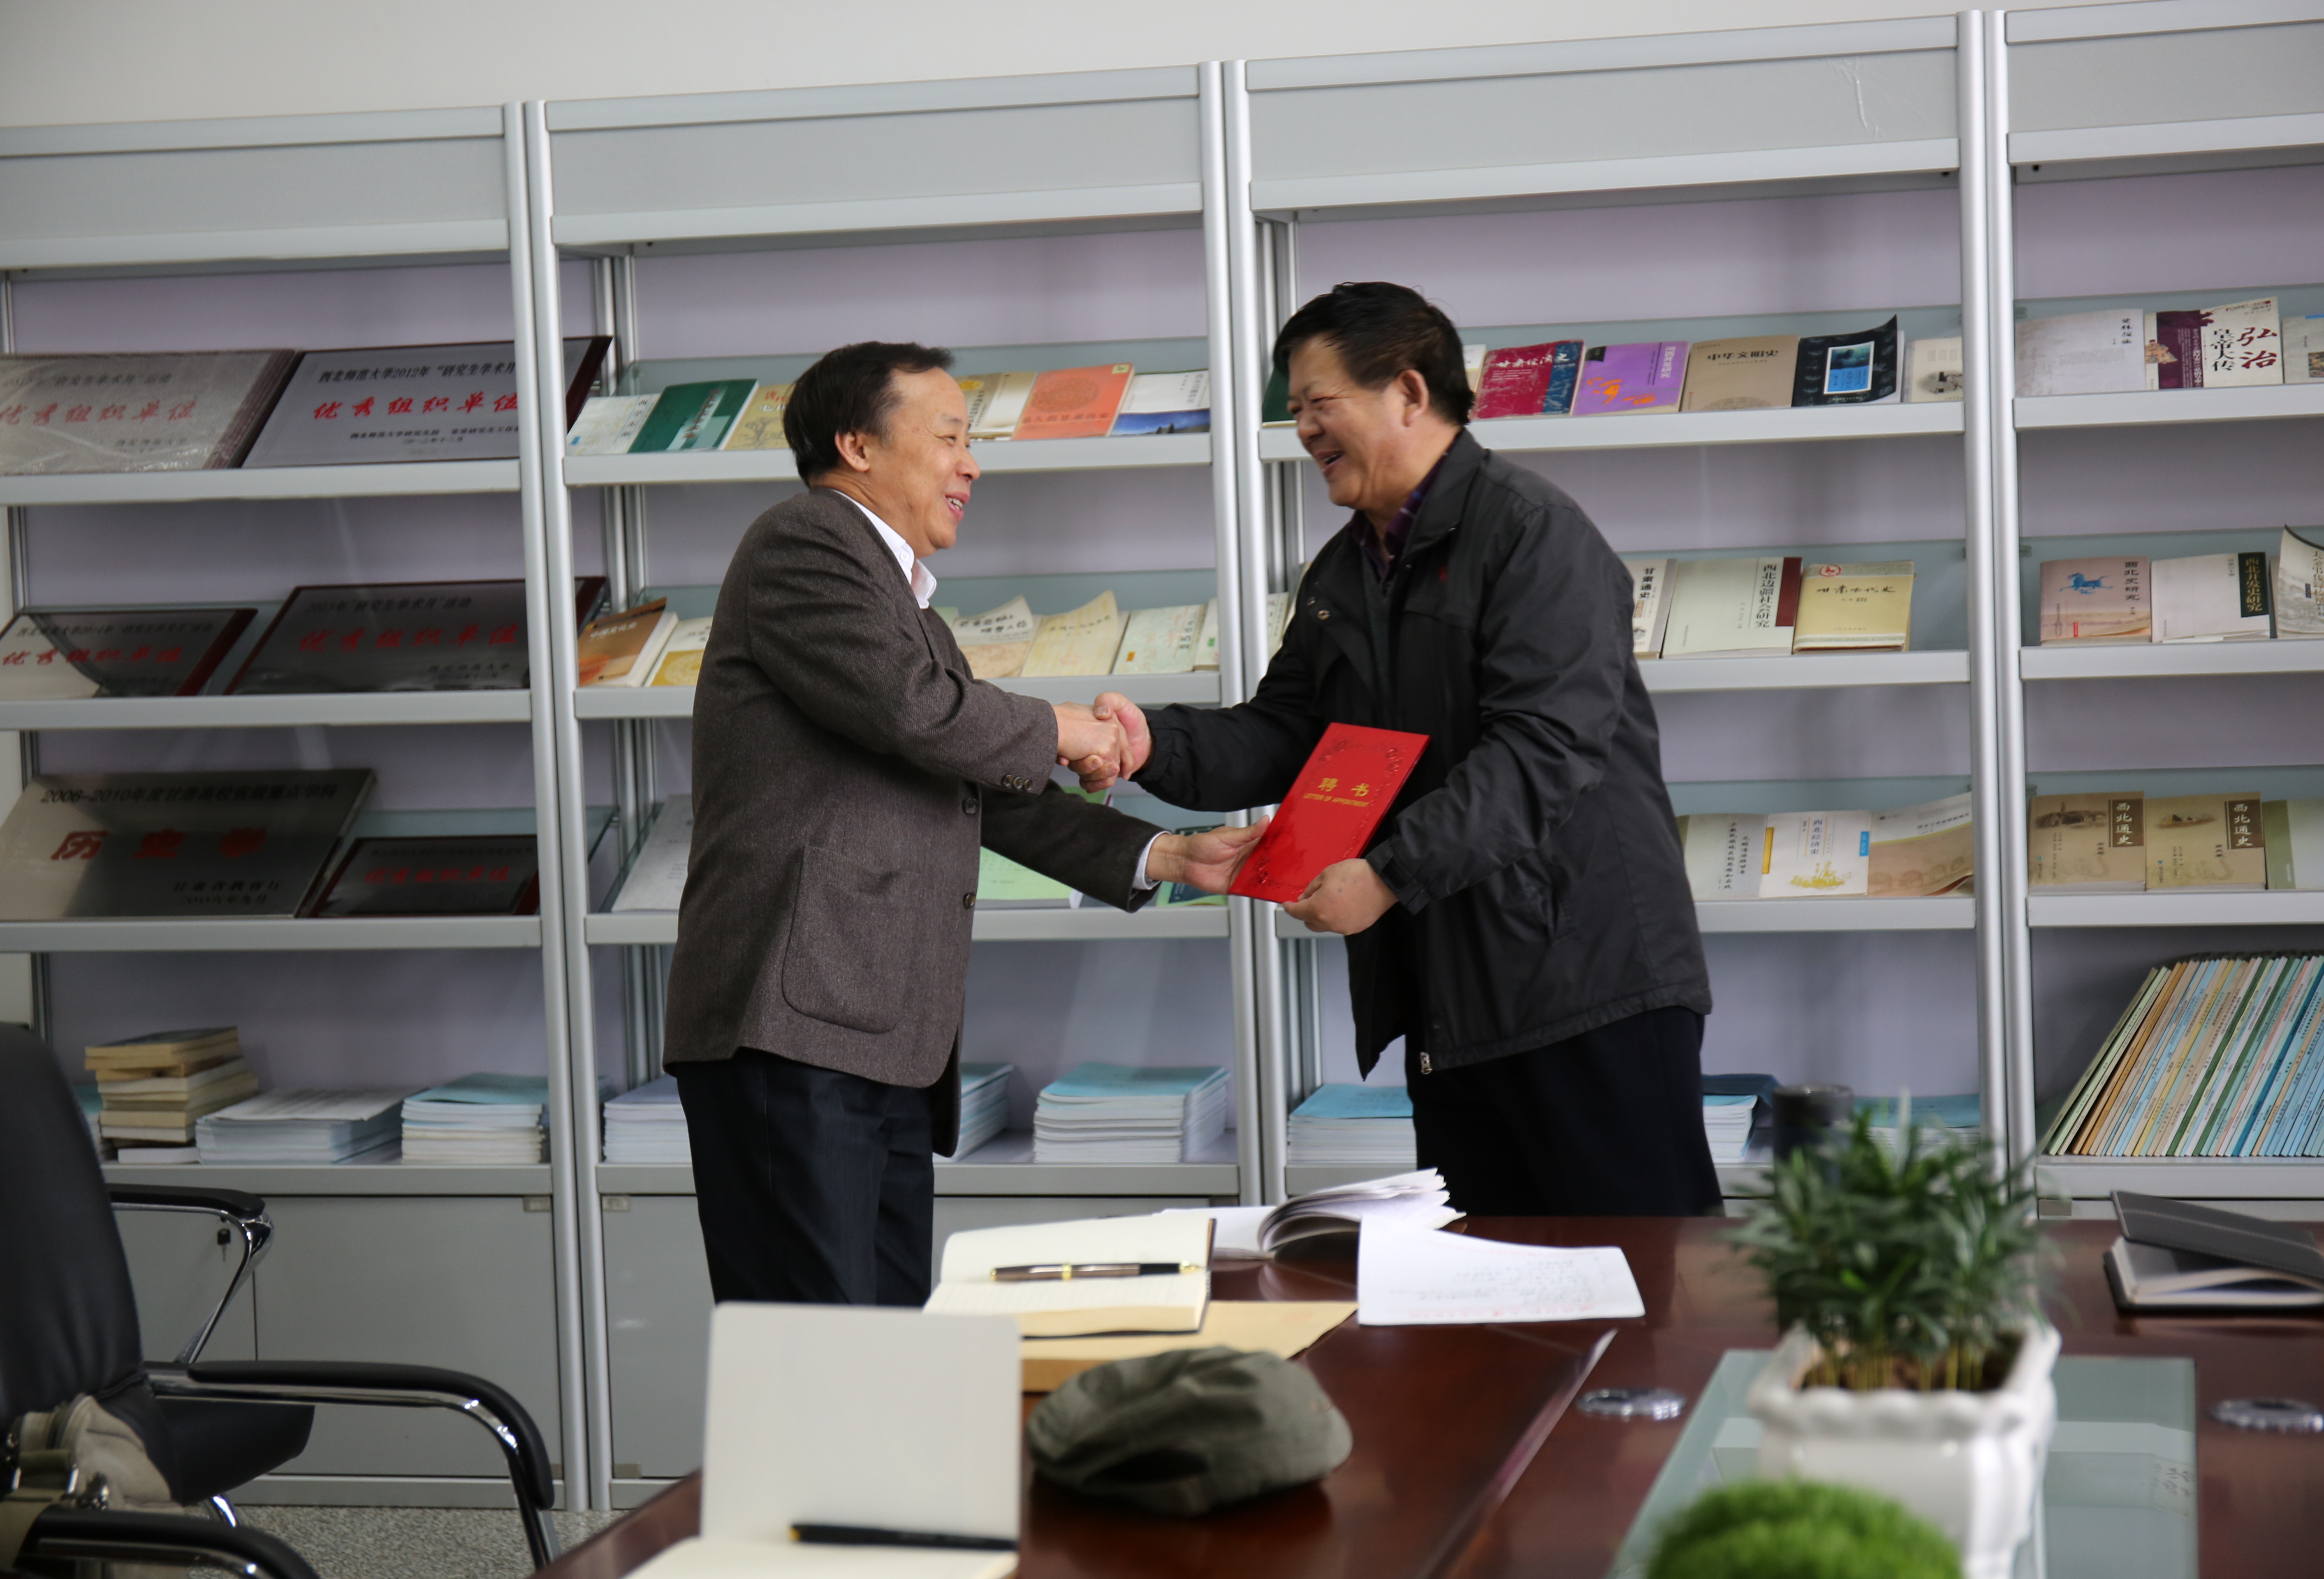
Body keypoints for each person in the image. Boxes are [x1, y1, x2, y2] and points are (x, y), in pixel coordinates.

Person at [1088, 282, 1718, 1217]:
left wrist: (1387, 873)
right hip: (1450, 997)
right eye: (1295, 409)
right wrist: (1152, 745)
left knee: (1641, 1274)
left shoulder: (1533, 534)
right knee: (1479, 1283)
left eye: (1319, 402)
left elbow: (1544, 749)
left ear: (1410, 393)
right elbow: (1287, 732)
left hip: (1586, 984)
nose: (1303, 429)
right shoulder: (1347, 568)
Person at [663, 341, 1264, 1305]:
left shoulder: (906, 607)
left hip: (873, 1033)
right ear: (858, 445)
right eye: (949, 437)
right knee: (813, 1349)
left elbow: (969, 780)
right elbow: (918, 711)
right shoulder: (804, 541)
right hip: (792, 1028)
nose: (971, 465)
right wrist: (1066, 728)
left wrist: (1168, 854)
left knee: (889, 1340)